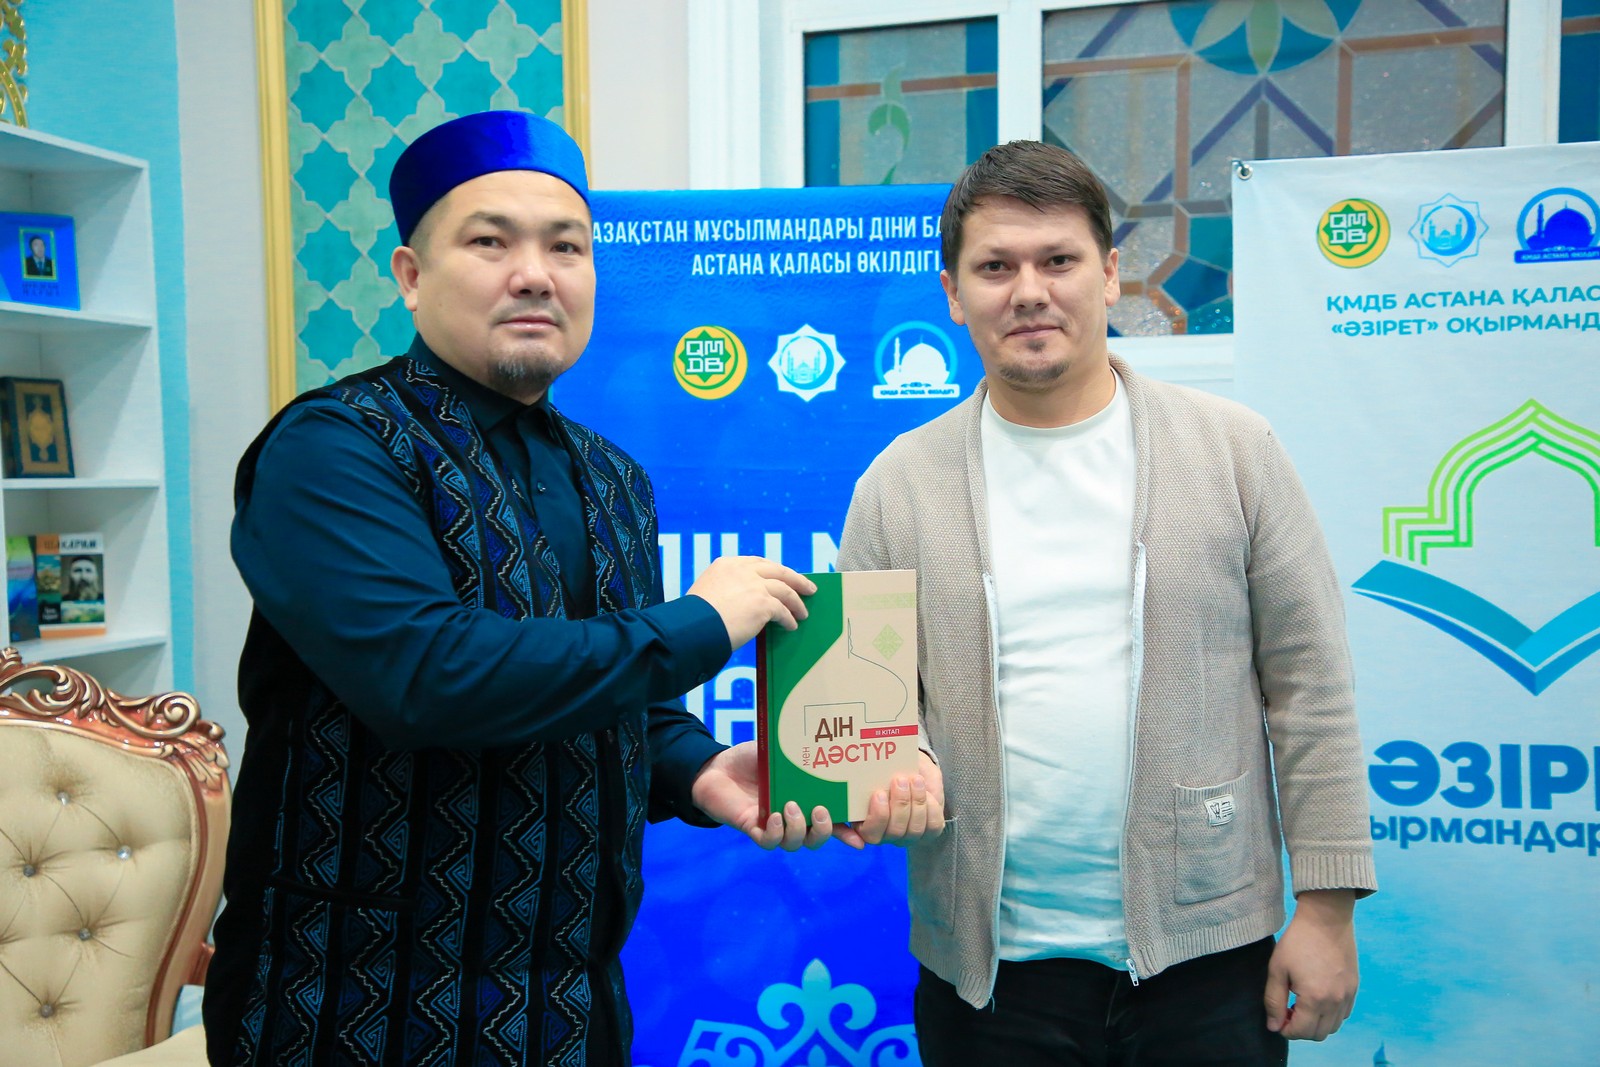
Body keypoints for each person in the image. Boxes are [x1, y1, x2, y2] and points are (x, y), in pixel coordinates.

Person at [205, 111, 917, 1067]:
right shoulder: (335, 448)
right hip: (354, 1006)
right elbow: (428, 674)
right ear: (411, 276)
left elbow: (622, 702)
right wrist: (701, 623)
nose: (535, 273)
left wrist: (699, 769)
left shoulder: (613, 477)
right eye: (490, 242)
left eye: (566, 246)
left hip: (575, 1011)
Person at [837, 140, 1377, 1065]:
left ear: (1112, 272)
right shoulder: (898, 484)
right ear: (954, 293)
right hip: (989, 978)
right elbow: (865, 704)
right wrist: (889, 766)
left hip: (1209, 958)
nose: (1030, 291)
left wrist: (1327, 909)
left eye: (1059, 260)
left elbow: (1311, 687)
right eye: (996, 267)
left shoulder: (1234, 451)